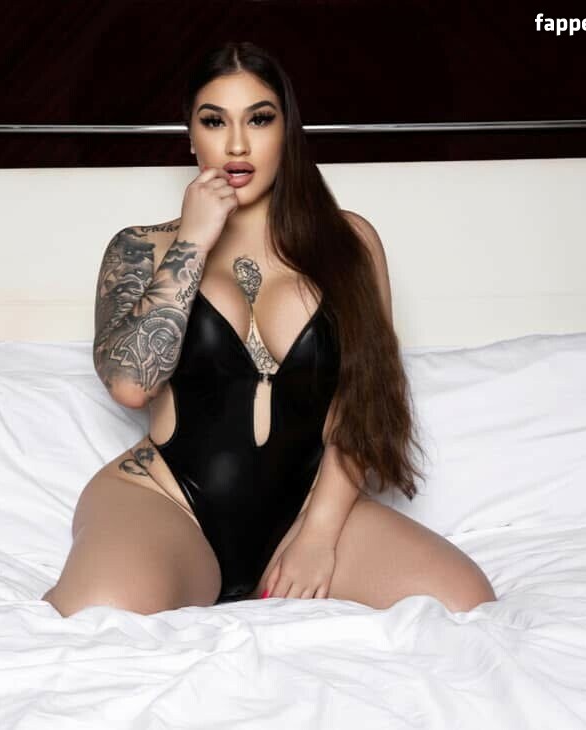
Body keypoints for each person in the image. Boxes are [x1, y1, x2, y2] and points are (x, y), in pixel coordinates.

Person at [42, 41, 497, 617]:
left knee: (466, 605)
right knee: (97, 618)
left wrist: (319, 535)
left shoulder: (350, 244)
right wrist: (193, 240)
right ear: (191, 136)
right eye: (214, 121)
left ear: (287, 131)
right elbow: (131, 385)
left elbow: (367, 399)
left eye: (259, 119)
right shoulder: (141, 247)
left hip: (308, 510)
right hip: (168, 503)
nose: (237, 144)